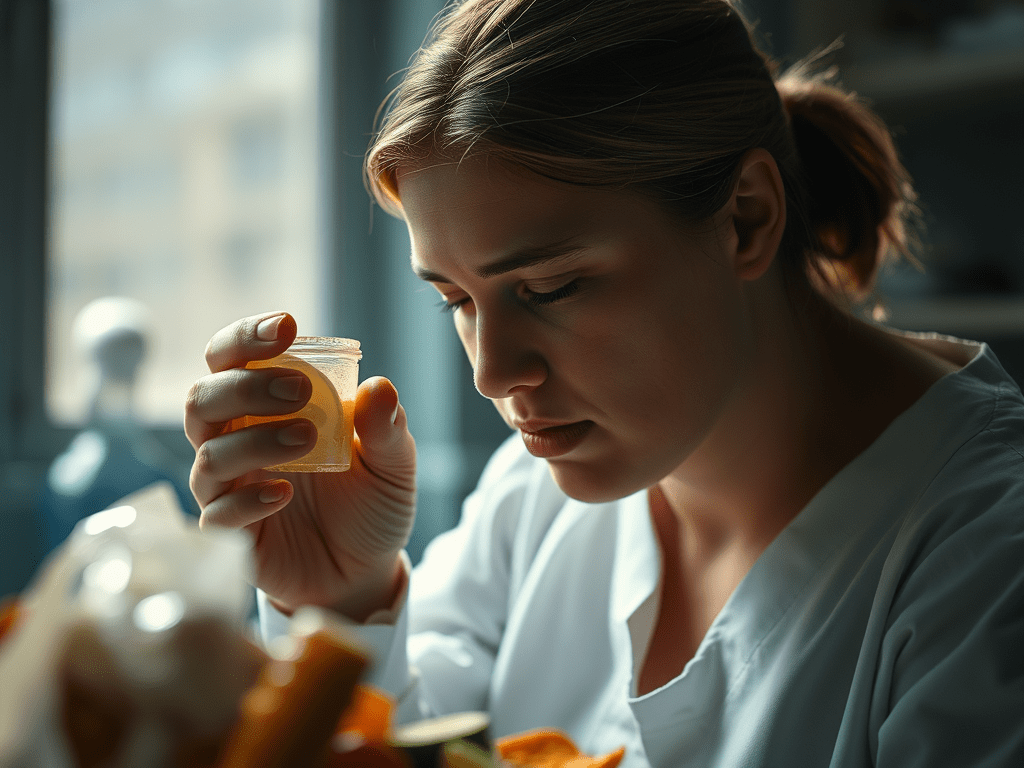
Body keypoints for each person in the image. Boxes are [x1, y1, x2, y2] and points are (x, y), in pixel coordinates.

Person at [183, 0, 1024, 765]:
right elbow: (401, 742)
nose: (492, 374)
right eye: (456, 302)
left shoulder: (988, 555)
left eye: (550, 288)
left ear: (746, 220)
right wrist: (342, 597)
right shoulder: (536, 488)